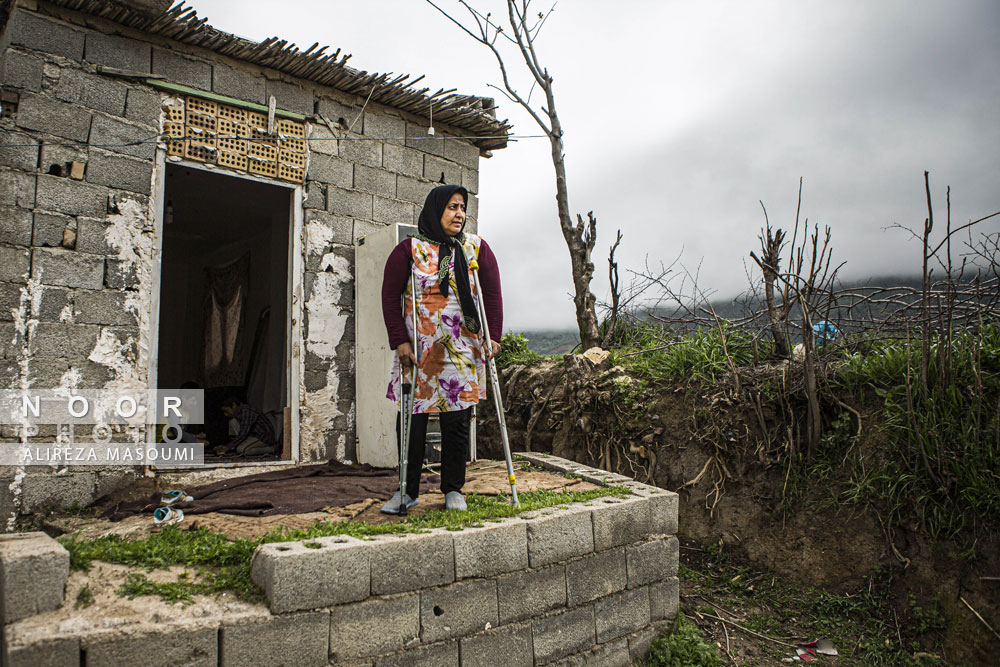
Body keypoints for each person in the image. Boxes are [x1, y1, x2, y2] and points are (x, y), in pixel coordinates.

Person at [381, 184, 503, 513]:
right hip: (418, 351)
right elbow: (390, 297)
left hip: (462, 350)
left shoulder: (477, 249)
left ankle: (453, 489)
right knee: (412, 421)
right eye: (451, 207)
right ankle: (407, 490)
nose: (460, 213)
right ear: (436, 211)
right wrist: (399, 340)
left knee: (457, 422)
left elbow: (491, 293)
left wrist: (494, 336)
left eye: (462, 207)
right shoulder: (410, 250)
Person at [213, 396, 278, 457]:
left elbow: (243, 433)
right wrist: (228, 446)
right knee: (237, 447)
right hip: (254, 436)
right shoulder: (239, 413)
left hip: (263, 436)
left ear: (234, 405)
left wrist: (228, 447)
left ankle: (272, 449)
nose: (225, 415)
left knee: (242, 450)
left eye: (226, 411)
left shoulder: (247, 411)